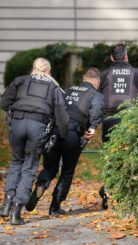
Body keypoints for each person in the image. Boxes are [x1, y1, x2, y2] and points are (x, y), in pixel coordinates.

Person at [25, 68, 104, 216]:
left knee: (50, 168)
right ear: (97, 81)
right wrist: (93, 127)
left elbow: (53, 106)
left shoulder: (67, 90)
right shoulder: (95, 94)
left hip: (55, 132)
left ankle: (41, 185)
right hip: (73, 135)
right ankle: (55, 206)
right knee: (67, 171)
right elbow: (97, 110)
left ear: (84, 78)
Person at [0, 57, 69, 225]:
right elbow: (62, 117)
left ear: (33, 68)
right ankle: (16, 212)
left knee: (16, 162)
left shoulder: (20, 81)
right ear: (48, 71)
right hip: (38, 127)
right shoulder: (54, 87)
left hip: (17, 123)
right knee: (29, 167)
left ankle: (5, 205)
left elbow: (4, 102)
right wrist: (62, 134)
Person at [98, 43, 138, 208]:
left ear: (112, 57)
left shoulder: (104, 75)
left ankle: (108, 192)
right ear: (126, 56)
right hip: (130, 120)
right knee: (130, 157)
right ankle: (128, 197)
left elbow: (96, 99)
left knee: (110, 157)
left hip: (108, 120)